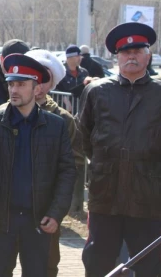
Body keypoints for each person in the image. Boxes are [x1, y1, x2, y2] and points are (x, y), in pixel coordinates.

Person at [0, 53, 76, 277]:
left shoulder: (56, 126)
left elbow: (66, 172)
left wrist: (56, 213)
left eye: (21, 84)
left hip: (38, 221)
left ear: (37, 88)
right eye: (11, 84)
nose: (14, 90)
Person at [78, 22, 161, 276]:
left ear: (148, 55)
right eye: (126, 52)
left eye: (138, 51)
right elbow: (83, 137)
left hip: (148, 194)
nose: (132, 57)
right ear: (117, 57)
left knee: (150, 264)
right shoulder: (97, 91)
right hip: (106, 193)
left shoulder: (158, 93)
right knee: (98, 261)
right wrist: (108, 162)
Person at [21, 49, 85, 277]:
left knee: (45, 267)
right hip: (7, 211)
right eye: (32, 75)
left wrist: (57, 211)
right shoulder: (0, 116)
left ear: (52, 83)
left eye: (44, 77)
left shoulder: (63, 121)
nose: (37, 82)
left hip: (46, 211)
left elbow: (72, 168)